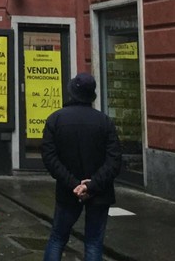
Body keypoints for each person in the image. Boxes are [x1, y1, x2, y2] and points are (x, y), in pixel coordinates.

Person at [41, 72, 122, 261]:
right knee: (93, 243)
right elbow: (114, 161)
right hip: (100, 192)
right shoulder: (104, 122)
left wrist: (73, 184)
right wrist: (91, 185)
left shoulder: (55, 119)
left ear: (71, 93)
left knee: (57, 239)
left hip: (67, 191)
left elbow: (49, 158)